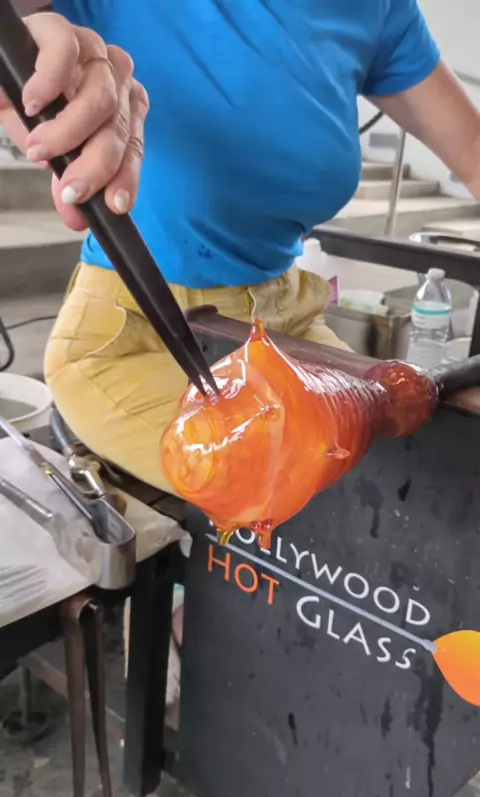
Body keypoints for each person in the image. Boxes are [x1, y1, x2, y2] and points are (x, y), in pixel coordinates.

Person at [3, 0, 480, 702]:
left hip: (282, 319)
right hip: (134, 329)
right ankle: (195, 630)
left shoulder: (378, 10)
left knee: (398, 482)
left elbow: (472, 148)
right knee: (278, 485)